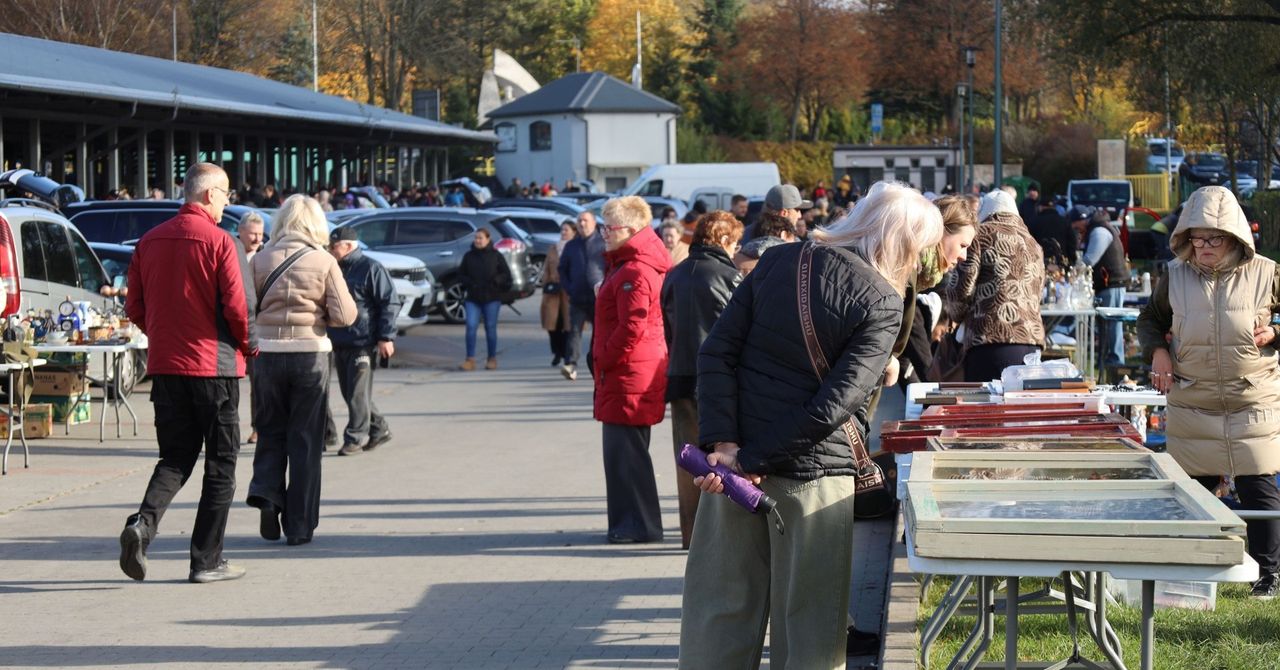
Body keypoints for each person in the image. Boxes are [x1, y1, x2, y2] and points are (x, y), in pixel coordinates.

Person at [680, 182, 943, 667]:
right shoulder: (883, 300)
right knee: (810, 628)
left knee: (719, 614)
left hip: (732, 468)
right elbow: (833, 406)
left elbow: (716, 352)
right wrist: (750, 458)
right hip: (811, 478)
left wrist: (726, 445)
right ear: (903, 243)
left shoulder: (780, 260)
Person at [1138, 185, 1280, 598]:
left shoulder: (1267, 273)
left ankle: (1268, 576)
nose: (1203, 247)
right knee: (1192, 491)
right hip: (1193, 398)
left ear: (1234, 237)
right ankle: (1191, 571)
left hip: (1252, 397)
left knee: (1259, 489)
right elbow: (1149, 320)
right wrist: (1158, 351)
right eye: (1197, 238)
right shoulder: (1175, 276)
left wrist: (1275, 331)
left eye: (1214, 239)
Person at [119, 162, 255, 584]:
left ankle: (142, 526)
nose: (228, 203)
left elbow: (134, 307)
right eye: (226, 195)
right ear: (210, 195)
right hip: (214, 369)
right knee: (222, 465)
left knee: (175, 457)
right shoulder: (220, 241)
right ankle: (206, 560)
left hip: (166, 368)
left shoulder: (149, 240)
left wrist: (162, 334)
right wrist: (250, 345)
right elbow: (237, 308)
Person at [246, 195, 356, 546]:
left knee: (270, 429)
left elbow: (244, 307)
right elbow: (344, 315)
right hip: (310, 355)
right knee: (306, 440)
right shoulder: (324, 261)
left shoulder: (259, 259)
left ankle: (267, 494)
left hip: (266, 354)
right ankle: (299, 525)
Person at [660, 210, 743, 549]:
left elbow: (668, 328)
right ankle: (719, 539)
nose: (736, 249)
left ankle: (690, 535)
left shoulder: (675, 275)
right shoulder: (729, 276)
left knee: (689, 461)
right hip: (719, 379)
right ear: (723, 239)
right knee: (722, 459)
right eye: (735, 242)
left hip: (680, 374)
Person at [593, 196, 672, 544]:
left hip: (628, 373)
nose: (604, 234)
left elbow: (632, 327)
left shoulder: (635, 270)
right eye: (604, 227)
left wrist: (604, 358)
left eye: (610, 228)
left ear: (632, 229)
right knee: (624, 454)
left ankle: (638, 526)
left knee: (626, 455)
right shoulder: (629, 265)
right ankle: (631, 523)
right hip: (628, 371)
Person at [943, 188, 1045, 383]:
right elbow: (1038, 292)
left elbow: (962, 287)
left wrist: (956, 315)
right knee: (1019, 408)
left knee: (986, 408)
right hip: (1031, 341)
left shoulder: (980, 235)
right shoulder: (1033, 243)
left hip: (988, 337)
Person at [327, 226, 400, 456]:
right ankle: (379, 428)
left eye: (334, 246)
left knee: (357, 393)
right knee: (351, 393)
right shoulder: (334, 268)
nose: (330, 250)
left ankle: (354, 438)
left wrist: (385, 337)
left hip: (363, 341)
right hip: (339, 340)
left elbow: (389, 303)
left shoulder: (371, 268)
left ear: (348, 246)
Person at [1073, 208, 1129, 368]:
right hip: (1106, 283)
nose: (1076, 229)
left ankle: (1117, 362)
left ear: (1082, 220)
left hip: (1112, 282)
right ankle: (1106, 360)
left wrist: (1075, 268)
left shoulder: (1099, 231)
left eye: (1076, 226)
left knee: (1113, 323)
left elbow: (1090, 259)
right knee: (1108, 325)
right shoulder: (1097, 229)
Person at [558, 211, 606, 381]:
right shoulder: (572, 245)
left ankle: (597, 364)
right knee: (574, 331)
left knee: (599, 333)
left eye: (585, 220)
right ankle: (570, 364)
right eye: (579, 221)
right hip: (577, 296)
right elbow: (562, 269)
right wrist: (569, 287)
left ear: (594, 223)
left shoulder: (602, 243)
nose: (582, 224)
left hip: (598, 297)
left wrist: (606, 286)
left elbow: (611, 267)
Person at [458, 228, 513, 370]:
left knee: (490, 328)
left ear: (488, 239)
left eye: (481, 238)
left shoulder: (496, 256)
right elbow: (461, 275)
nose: (478, 240)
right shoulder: (469, 256)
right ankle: (470, 359)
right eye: (476, 238)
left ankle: (491, 358)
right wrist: (469, 283)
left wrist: (497, 280)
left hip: (491, 298)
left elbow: (506, 274)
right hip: (473, 298)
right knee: (471, 326)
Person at [237, 211, 266, 444]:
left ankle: (258, 427)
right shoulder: (231, 252)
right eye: (253, 234)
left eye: (260, 234)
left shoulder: (266, 257)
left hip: (257, 327)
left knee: (259, 382)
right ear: (241, 232)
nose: (258, 239)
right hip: (231, 325)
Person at [541, 221, 576, 366]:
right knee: (552, 325)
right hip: (553, 292)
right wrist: (546, 285)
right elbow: (546, 269)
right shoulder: (553, 248)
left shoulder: (576, 247)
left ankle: (568, 355)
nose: (563, 232)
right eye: (562, 230)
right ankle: (557, 352)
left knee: (569, 326)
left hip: (569, 292)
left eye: (566, 230)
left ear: (573, 232)